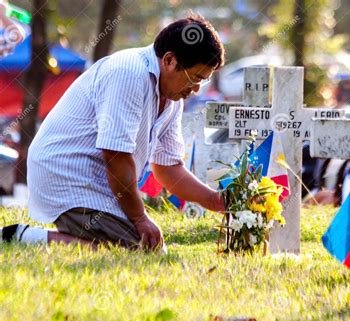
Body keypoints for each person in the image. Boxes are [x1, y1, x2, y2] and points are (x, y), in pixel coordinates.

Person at [1, 15, 225, 252]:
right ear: (169, 60)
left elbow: (168, 167)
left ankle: (36, 237)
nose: (197, 89)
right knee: (137, 249)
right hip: (67, 173)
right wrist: (140, 219)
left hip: (99, 182)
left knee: (150, 249)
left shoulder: (172, 97)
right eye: (196, 78)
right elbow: (115, 156)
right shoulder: (129, 72)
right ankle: (19, 237)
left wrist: (215, 201)